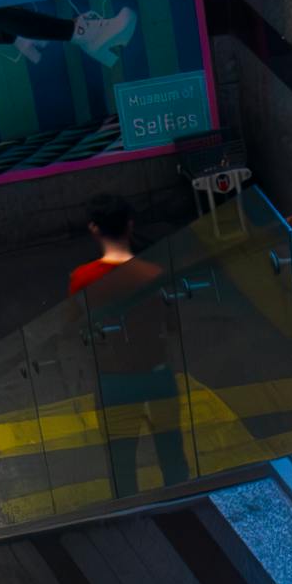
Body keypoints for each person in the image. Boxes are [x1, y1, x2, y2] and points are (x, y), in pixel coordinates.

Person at [72, 205, 189, 499]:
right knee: (172, 453)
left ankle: (130, 514)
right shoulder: (153, 274)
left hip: (114, 382)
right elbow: (172, 324)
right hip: (157, 375)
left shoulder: (83, 280)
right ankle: (182, 507)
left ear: (94, 229)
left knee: (121, 460)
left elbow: (77, 331)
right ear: (130, 226)